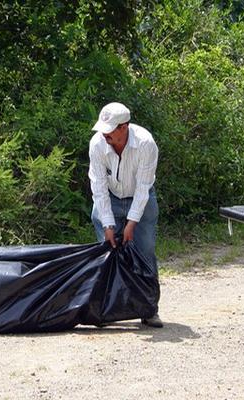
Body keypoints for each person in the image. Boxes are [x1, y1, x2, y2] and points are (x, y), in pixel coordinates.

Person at [88, 102, 163, 328]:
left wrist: (131, 223)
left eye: (110, 129)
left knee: (145, 252)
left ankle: (149, 309)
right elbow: (98, 186)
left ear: (124, 127)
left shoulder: (146, 144)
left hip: (141, 200)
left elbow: (143, 189)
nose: (105, 134)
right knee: (107, 254)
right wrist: (108, 224)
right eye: (103, 129)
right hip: (108, 198)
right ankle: (107, 308)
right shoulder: (97, 144)